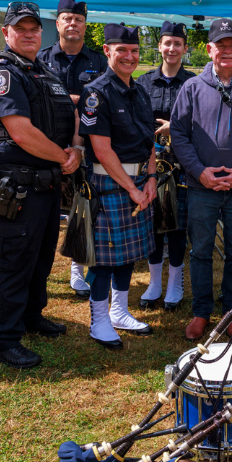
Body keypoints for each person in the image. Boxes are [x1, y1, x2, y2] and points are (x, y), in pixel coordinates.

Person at [0, 1, 82, 369]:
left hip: (48, 183)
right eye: (19, 29)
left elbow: (70, 112)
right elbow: (20, 132)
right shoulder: (2, 73)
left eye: (33, 28)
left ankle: (32, 316)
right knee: (15, 261)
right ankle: (5, 340)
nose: (28, 34)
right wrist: (63, 157)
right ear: (5, 32)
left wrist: (76, 147)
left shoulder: (44, 72)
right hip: (20, 184)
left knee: (40, 256)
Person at [171, 18, 232, 341]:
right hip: (202, 187)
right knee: (200, 251)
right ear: (209, 49)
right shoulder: (192, 88)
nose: (226, 50)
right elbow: (179, 134)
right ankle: (201, 312)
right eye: (220, 45)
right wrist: (199, 171)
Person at [78, 23, 156, 346]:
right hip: (108, 181)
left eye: (134, 51)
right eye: (121, 50)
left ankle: (119, 312)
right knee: (104, 257)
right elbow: (102, 150)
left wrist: (151, 177)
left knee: (127, 254)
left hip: (139, 179)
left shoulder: (140, 91)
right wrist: (133, 188)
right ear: (107, 51)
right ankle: (98, 320)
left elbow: (150, 141)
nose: (129, 56)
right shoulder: (95, 93)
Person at [39, 0, 108, 300]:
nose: (72, 24)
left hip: (87, 146)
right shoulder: (40, 59)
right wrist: (75, 99)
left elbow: (104, 99)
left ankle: (77, 268)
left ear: (85, 25)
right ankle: (39, 272)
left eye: (78, 19)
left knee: (84, 207)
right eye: (67, 18)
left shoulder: (98, 62)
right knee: (47, 210)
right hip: (47, 145)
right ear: (57, 24)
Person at [134, 21, 195, 310]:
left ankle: (175, 283)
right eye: (167, 43)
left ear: (185, 48)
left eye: (177, 44)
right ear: (159, 46)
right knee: (153, 226)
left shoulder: (194, 83)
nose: (172, 48)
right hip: (150, 165)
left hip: (182, 166)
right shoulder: (143, 82)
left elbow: (203, 122)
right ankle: (155, 282)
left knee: (177, 228)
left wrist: (176, 127)